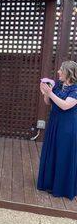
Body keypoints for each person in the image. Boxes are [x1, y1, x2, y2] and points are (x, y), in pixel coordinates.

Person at [37, 60, 77, 200]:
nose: (59, 72)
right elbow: (48, 103)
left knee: (63, 153)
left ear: (68, 73)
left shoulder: (75, 89)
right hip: (54, 123)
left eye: (61, 69)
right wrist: (46, 93)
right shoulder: (58, 84)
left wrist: (50, 93)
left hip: (67, 126)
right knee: (52, 151)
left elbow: (66, 106)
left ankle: (62, 187)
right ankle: (50, 183)